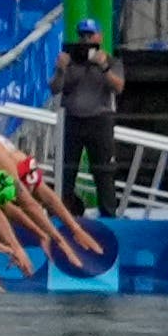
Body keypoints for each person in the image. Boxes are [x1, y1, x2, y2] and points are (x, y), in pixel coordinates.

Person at [53, 27, 124, 218]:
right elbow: (54, 88)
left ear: (99, 37)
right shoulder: (70, 61)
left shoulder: (111, 61)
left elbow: (118, 87)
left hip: (100, 122)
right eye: (82, 36)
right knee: (66, 170)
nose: (86, 40)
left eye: (90, 35)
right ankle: (62, 212)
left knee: (103, 171)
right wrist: (61, 69)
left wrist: (104, 67)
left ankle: (109, 214)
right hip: (73, 120)